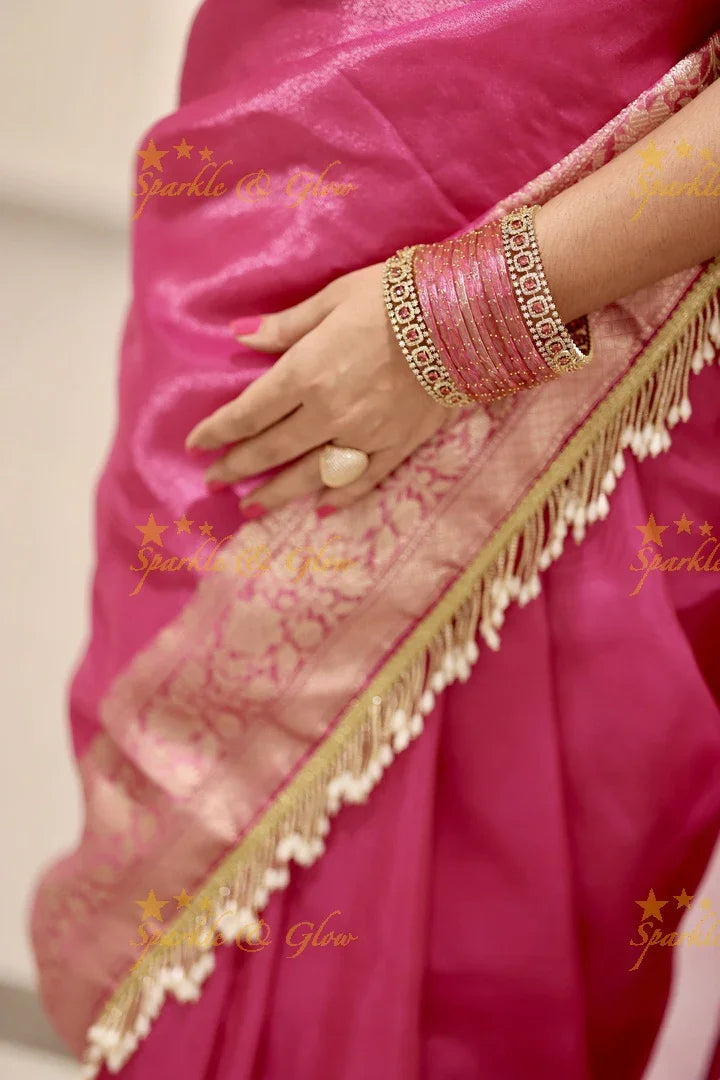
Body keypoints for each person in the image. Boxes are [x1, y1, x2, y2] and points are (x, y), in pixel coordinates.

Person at [31, 1, 720, 1077]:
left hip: (577, 383)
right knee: (189, 921)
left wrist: (457, 323)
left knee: (472, 952)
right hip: (245, 259)